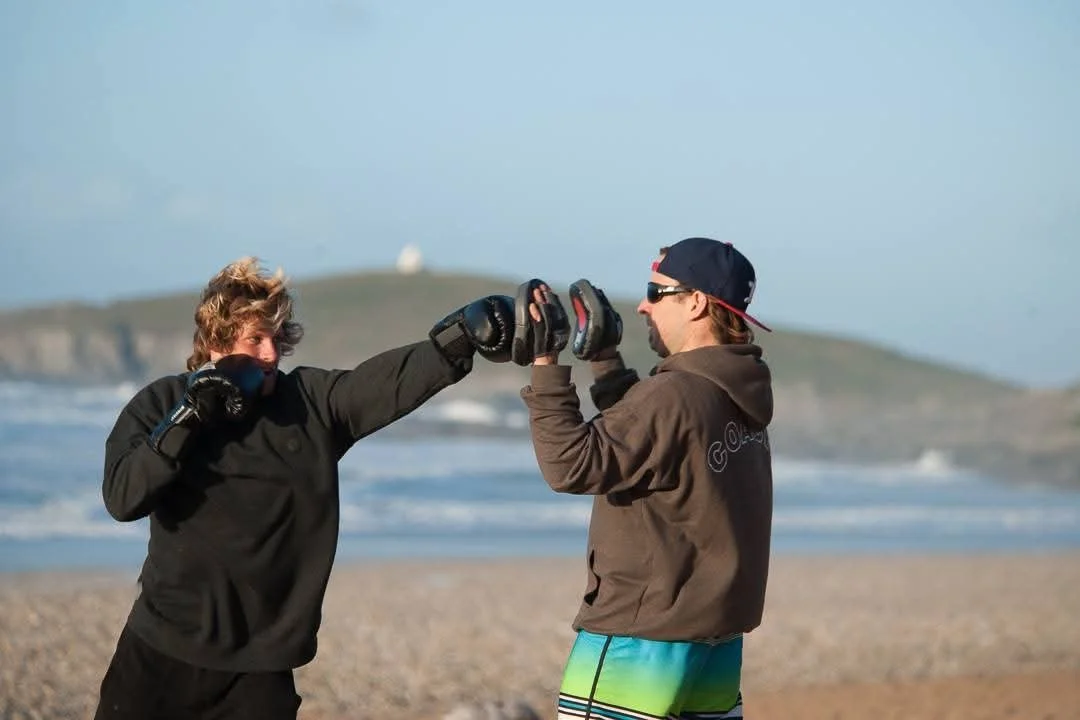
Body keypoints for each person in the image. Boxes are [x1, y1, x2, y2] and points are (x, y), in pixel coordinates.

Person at [94, 256, 515, 720]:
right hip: (161, 651)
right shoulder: (159, 402)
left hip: (260, 669)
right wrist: (186, 419)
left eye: (276, 339)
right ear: (216, 339)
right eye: (256, 340)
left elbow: (382, 385)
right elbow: (122, 498)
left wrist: (459, 339)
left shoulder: (309, 404)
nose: (271, 354)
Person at [518, 237, 775, 720]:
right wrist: (605, 359)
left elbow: (571, 464)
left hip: (642, 639)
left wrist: (545, 364)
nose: (641, 305)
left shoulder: (675, 393)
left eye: (655, 292)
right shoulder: (740, 395)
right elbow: (646, 447)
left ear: (696, 302)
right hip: (714, 643)